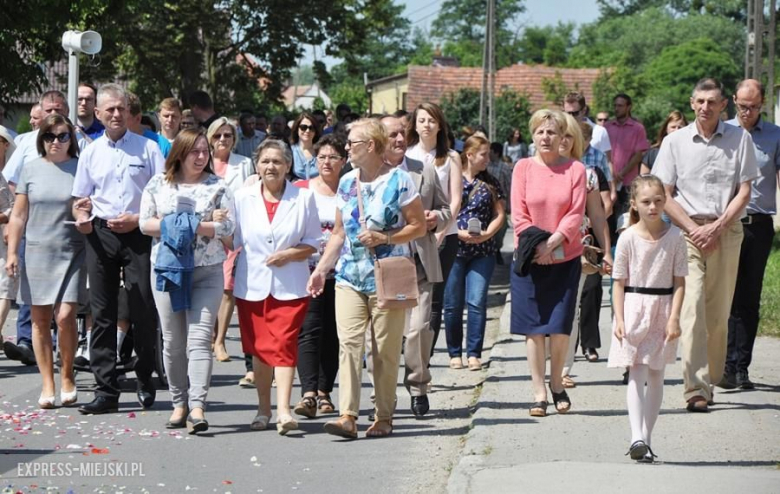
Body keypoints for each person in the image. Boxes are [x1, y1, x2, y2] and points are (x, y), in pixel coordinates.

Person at [307, 119, 426, 439]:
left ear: (371, 146)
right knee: (349, 344)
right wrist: (321, 269)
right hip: (349, 276)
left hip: (387, 276)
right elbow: (339, 233)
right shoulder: (347, 183)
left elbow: (419, 226)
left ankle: (384, 415)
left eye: (352, 144)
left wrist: (386, 238)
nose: (346, 149)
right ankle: (348, 415)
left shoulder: (400, 181)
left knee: (384, 350)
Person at [653, 78, 759, 413]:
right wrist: (693, 229)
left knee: (717, 316)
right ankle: (695, 388)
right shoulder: (675, 142)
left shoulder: (740, 139)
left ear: (723, 104)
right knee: (692, 306)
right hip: (687, 234)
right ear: (691, 102)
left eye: (712, 102)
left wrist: (717, 228)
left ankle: (711, 375)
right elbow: (663, 193)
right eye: (700, 101)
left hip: (726, 232)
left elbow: (744, 191)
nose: (705, 107)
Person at [72, 83, 166, 415]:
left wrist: (138, 218)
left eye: (121, 109)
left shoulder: (148, 149)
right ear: (97, 113)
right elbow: (79, 200)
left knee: (142, 307)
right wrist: (81, 217)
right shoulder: (91, 152)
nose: (115, 114)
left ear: (129, 112)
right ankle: (106, 390)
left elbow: (163, 199)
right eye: (109, 109)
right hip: (102, 234)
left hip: (139, 231)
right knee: (102, 312)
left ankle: (143, 378)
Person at [139, 128, 235, 434]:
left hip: (207, 271)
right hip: (168, 271)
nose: (201, 156)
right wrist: (197, 224)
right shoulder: (158, 184)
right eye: (194, 151)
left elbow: (229, 227)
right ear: (179, 154)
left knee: (199, 340)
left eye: (204, 151)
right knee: (173, 342)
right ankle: (178, 403)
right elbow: (145, 224)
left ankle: (197, 406)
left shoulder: (218, 186)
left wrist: (194, 225)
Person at [232, 139, 320, 435]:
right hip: (252, 284)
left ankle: (283, 410)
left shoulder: (303, 198)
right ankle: (263, 409)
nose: (271, 167)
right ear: (257, 165)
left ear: (288, 166)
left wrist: (288, 254)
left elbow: (313, 242)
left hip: (290, 285)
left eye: (277, 162)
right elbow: (232, 240)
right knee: (259, 350)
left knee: (283, 345)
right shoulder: (242, 197)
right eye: (266, 161)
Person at [366, 115, 450, 418]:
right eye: (393, 135)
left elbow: (446, 209)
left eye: (403, 134)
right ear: (378, 140)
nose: (400, 140)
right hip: (384, 264)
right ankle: (382, 392)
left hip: (419, 262)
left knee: (418, 330)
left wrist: (436, 219)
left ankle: (418, 387)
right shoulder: (366, 174)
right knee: (382, 335)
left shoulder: (422, 170)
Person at [6, 114, 87, 408]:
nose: (56, 141)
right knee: (40, 320)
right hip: (37, 250)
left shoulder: (81, 168)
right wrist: (13, 252)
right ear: (41, 139)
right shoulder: (30, 169)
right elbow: (18, 215)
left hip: (72, 250)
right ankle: (47, 383)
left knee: (65, 317)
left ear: (71, 138)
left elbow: (87, 204)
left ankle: (67, 374)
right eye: (50, 136)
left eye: (62, 136)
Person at [510, 109, 586, 417]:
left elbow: (575, 212)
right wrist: (538, 245)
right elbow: (519, 213)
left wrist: (554, 242)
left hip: (564, 257)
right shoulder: (523, 168)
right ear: (532, 135)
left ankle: (557, 383)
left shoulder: (575, 170)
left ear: (563, 138)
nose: (546, 137)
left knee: (559, 327)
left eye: (552, 132)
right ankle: (539, 391)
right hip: (529, 258)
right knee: (533, 328)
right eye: (540, 131)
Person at [608, 175, 687, 463]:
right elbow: (618, 282)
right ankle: (635, 436)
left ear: (665, 202)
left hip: (663, 308)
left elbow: (680, 281)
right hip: (634, 307)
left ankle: (647, 437)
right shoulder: (627, 237)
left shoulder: (676, 237)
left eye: (657, 201)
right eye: (646, 202)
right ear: (635, 205)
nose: (653, 207)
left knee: (656, 374)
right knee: (636, 372)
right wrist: (618, 318)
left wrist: (675, 318)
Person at [723, 79, 780, 390]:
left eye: (754, 107)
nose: (747, 112)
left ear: (763, 105)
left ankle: (740, 366)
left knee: (748, 298)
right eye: (742, 106)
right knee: (723, 296)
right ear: (733, 101)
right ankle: (723, 364)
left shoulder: (775, 136)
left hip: (757, 223)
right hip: (724, 223)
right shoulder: (723, 133)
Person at [291, 134, 346, 419]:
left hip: (342, 273)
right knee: (309, 331)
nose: (326, 162)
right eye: (321, 156)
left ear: (343, 162)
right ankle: (308, 392)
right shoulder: (302, 190)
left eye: (333, 157)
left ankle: (325, 391)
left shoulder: (349, 190)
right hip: (308, 272)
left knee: (334, 335)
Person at [405, 103, 463, 360]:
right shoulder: (406, 156)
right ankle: (407, 352)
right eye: (422, 120)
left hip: (444, 235)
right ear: (415, 125)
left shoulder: (451, 157)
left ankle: (424, 359)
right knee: (407, 297)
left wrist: (441, 231)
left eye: (432, 120)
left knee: (434, 300)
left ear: (440, 125)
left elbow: (455, 199)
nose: (427, 125)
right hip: (409, 237)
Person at [558, 117, 612, 388]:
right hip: (543, 250)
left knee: (571, 309)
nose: (564, 140)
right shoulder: (535, 170)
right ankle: (549, 359)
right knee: (547, 311)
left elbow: (599, 216)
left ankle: (563, 368)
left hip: (578, 250)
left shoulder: (588, 174)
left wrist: (607, 252)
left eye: (570, 136)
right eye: (560, 134)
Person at [445, 134, 505, 371]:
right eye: (483, 154)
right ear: (469, 155)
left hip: (483, 250)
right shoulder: (452, 180)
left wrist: (488, 233)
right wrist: (457, 232)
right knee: (452, 303)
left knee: (477, 301)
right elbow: (442, 210)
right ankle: (454, 352)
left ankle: (474, 353)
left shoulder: (490, 183)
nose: (487, 159)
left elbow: (500, 212)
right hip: (454, 248)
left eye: (488, 154)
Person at [207, 117, 253, 364]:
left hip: (233, 232)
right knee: (209, 284)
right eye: (218, 136)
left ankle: (220, 340)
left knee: (227, 287)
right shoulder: (202, 161)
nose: (223, 140)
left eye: (227, 135)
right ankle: (210, 334)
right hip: (206, 231)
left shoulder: (244, 163)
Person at [604, 93, 650, 211]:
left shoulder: (637, 128)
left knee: (626, 216)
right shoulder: (607, 127)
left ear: (628, 107)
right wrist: (612, 172)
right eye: (615, 106)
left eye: (620, 106)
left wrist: (622, 173)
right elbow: (603, 152)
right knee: (607, 217)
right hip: (608, 181)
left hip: (628, 182)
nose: (616, 109)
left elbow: (639, 155)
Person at [290, 112, 321, 180]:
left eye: (311, 128)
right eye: (303, 127)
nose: (307, 131)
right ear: (297, 129)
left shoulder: (321, 152)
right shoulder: (290, 151)